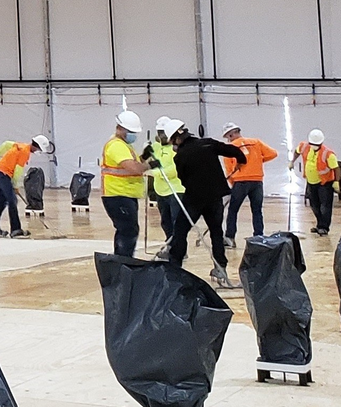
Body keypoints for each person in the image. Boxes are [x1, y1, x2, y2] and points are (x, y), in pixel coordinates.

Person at [165, 123, 247, 287]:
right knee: (216, 231)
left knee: (180, 231)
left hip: (194, 199)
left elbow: (183, 179)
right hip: (215, 197)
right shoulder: (208, 143)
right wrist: (241, 161)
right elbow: (234, 151)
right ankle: (220, 268)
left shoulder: (180, 156)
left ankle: (175, 268)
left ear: (176, 138)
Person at [100, 112, 150, 260]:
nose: (133, 135)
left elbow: (134, 162)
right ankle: (123, 263)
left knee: (129, 229)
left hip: (126, 194)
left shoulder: (125, 145)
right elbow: (133, 168)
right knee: (127, 231)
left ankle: (124, 261)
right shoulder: (116, 146)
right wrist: (149, 165)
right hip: (117, 195)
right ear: (120, 128)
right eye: (131, 132)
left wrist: (145, 156)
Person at [221, 121, 276, 244]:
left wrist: (233, 184)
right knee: (257, 210)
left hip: (240, 182)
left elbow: (229, 169)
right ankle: (259, 236)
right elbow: (273, 153)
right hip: (257, 181)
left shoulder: (229, 149)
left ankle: (230, 238)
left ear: (230, 135)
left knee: (233, 210)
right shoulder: (255, 142)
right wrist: (258, 161)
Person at [0, 135, 49, 238]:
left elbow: (6, 143)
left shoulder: (22, 146)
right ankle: (16, 230)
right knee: (12, 200)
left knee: (2, 201)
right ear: (37, 146)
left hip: (0, 171)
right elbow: (18, 171)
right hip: (3, 174)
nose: (39, 151)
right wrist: (15, 185)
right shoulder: (25, 153)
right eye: (39, 149)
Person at [144, 119, 184, 250]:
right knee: (165, 222)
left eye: (164, 133)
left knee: (176, 221)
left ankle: (179, 248)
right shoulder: (155, 147)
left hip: (175, 190)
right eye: (160, 133)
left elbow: (174, 169)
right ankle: (169, 244)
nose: (162, 136)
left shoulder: (177, 148)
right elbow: (142, 161)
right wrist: (145, 152)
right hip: (160, 190)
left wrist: (154, 173)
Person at [293, 130, 341, 236]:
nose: (314, 146)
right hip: (311, 182)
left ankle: (324, 227)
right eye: (312, 144)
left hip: (325, 183)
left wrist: (336, 181)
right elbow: (297, 151)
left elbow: (336, 169)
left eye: (316, 144)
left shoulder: (328, 153)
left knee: (325, 206)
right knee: (314, 205)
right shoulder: (304, 146)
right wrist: (292, 161)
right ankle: (319, 224)